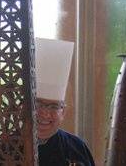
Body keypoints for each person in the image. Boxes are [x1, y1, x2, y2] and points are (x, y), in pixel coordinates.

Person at [35, 37, 95, 166]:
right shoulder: (3, 148)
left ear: (63, 112)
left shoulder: (77, 148)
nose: (45, 113)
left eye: (53, 106)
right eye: (38, 104)